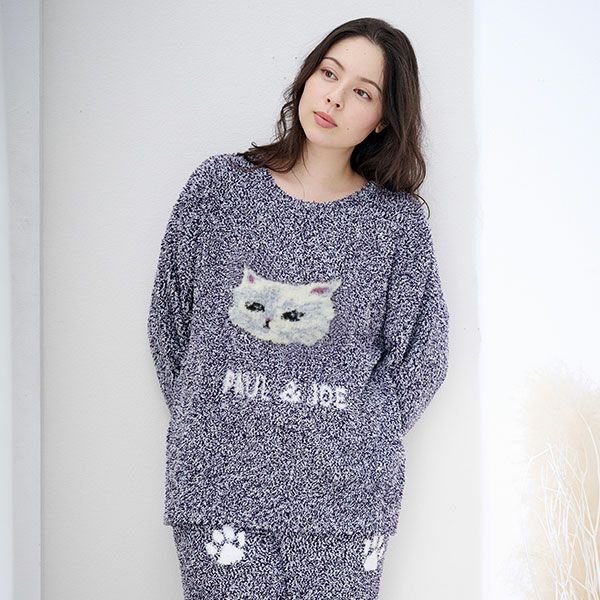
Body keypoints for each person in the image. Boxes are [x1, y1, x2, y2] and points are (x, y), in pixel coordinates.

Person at [147, 16, 450, 600]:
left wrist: (359, 436)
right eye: (329, 74)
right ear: (308, 77)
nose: (334, 97)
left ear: (383, 118)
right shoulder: (220, 189)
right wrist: (208, 421)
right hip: (219, 486)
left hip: (344, 502)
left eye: (362, 92)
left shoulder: (397, 225)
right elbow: (171, 321)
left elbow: (424, 351)